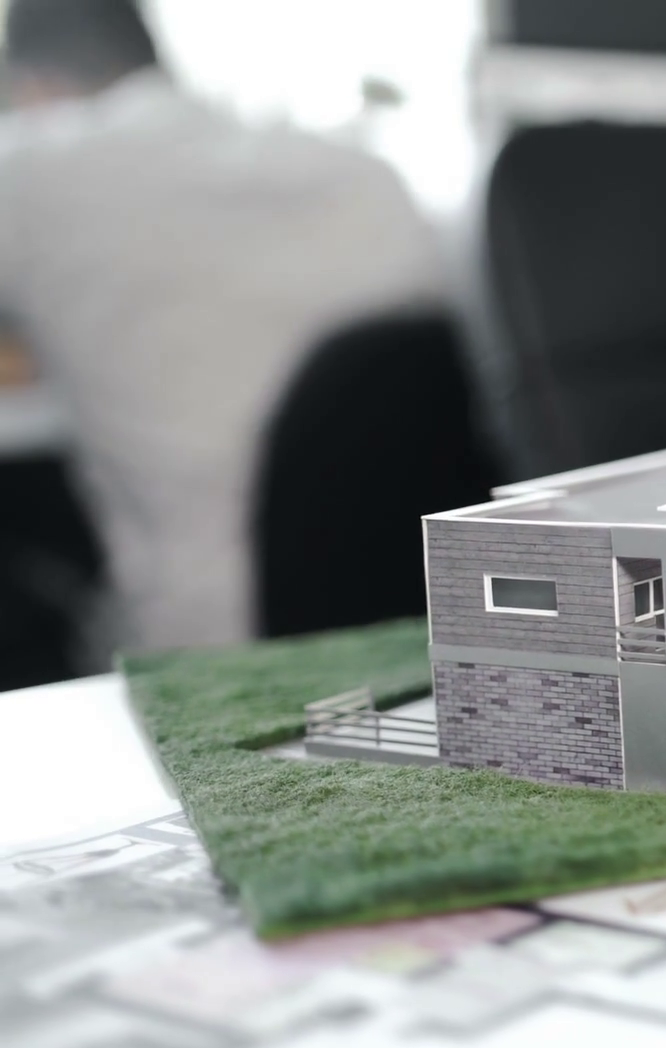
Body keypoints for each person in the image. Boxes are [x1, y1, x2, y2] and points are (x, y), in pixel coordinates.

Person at [0, 0, 445, 650]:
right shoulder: (363, 175)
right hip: (423, 617)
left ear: (34, 85)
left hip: (210, 651)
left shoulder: (29, 173)